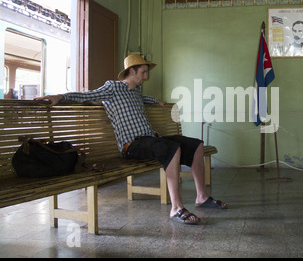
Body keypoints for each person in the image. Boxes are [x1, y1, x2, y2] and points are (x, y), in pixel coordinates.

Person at [35, 54, 227, 225]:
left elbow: (144, 99)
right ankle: (176, 208)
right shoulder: (113, 88)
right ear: (132, 71)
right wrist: (60, 96)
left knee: (196, 145)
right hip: (132, 145)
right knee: (172, 148)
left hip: (150, 140)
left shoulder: (136, 92)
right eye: (143, 72)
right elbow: (87, 95)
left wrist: (156, 101)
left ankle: (202, 197)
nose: (146, 77)